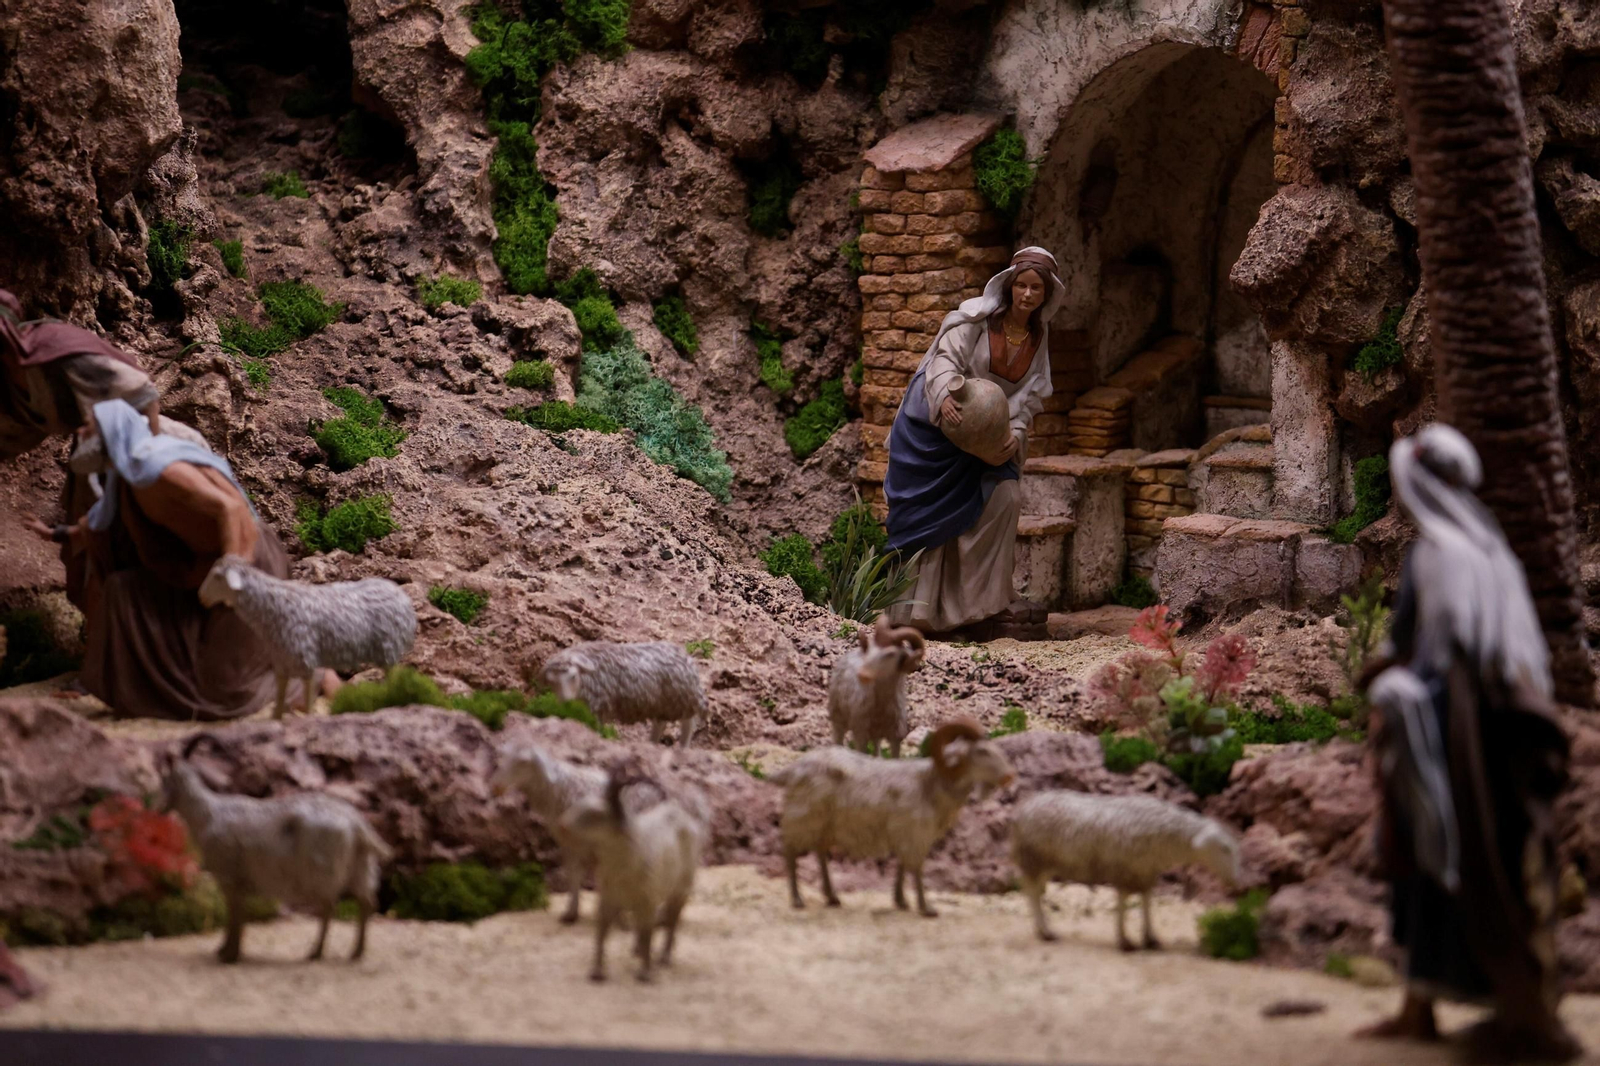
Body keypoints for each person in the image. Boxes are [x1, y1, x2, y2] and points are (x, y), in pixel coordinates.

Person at [1360, 424, 1579, 1060]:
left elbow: (1412, 648)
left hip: (1445, 738)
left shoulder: (1434, 556)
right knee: (1492, 862)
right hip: (1501, 731)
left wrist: (1376, 682)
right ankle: (1418, 1008)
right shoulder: (1493, 554)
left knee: (1428, 858)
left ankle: (1502, 1014)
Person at [25, 399, 335, 720]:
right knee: (124, 591)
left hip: (245, 559)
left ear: (111, 431)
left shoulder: (156, 466)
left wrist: (233, 570)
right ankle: (143, 691)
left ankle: (311, 678)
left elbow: (229, 508)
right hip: (194, 571)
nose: (79, 432)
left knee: (226, 693)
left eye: (88, 426)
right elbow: (97, 523)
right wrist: (56, 534)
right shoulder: (125, 476)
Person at [883, 246, 1063, 637]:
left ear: (1046, 295)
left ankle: (982, 603)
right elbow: (944, 360)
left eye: (1036, 288)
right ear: (1010, 286)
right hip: (939, 425)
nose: (1028, 295)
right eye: (1022, 285)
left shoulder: (1037, 336)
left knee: (1005, 498)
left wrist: (1013, 432)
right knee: (932, 516)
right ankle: (919, 611)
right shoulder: (976, 319)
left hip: (991, 433)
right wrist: (947, 394)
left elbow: (1031, 393)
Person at [0, 286, 160, 460]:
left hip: (146, 436)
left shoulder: (58, 350)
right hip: (99, 450)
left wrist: (149, 456)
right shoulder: (9, 384)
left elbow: (143, 394)